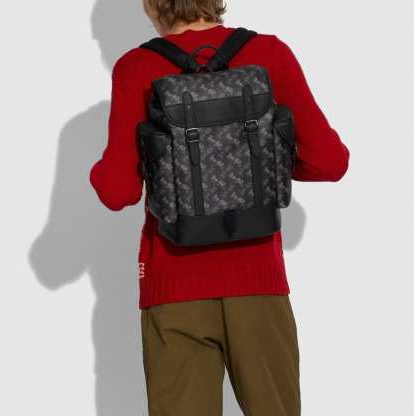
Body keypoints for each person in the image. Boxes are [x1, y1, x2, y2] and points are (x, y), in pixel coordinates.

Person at [89, 1, 350, 414]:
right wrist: (268, 166)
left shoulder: (136, 67)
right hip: (259, 285)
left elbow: (117, 191)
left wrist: (99, 170)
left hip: (174, 287)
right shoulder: (269, 53)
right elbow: (330, 161)